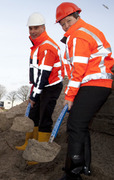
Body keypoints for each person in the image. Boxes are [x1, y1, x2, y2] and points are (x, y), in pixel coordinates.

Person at [55, 2, 114, 179]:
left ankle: (73, 173)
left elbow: (79, 70)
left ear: (77, 16)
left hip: (94, 83)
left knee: (75, 125)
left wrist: (70, 96)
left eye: (69, 21)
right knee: (80, 125)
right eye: (62, 23)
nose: (66, 26)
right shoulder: (88, 30)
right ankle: (83, 168)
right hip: (97, 83)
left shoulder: (78, 35)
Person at [16, 12, 64, 164]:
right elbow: (37, 74)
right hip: (40, 84)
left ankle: (39, 152)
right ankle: (28, 144)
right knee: (33, 115)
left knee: (44, 116)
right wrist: (33, 91)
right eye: (30, 28)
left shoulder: (47, 47)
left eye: (36, 28)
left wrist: (34, 96)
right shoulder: (37, 45)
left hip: (51, 86)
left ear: (43, 27)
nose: (32, 31)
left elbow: (44, 75)